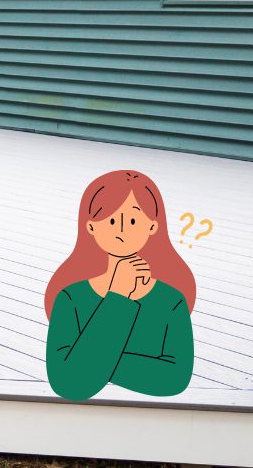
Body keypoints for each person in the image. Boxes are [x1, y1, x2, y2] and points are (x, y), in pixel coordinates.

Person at [44, 170, 196, 400]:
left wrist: (87, 362)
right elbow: (67, 385)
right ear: (91, 227)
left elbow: (174, 380)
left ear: (152, 226)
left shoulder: (172, 301)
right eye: (112, 220)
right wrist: (118, 295)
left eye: (134, 220)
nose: (122, 230)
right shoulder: (70, 298)